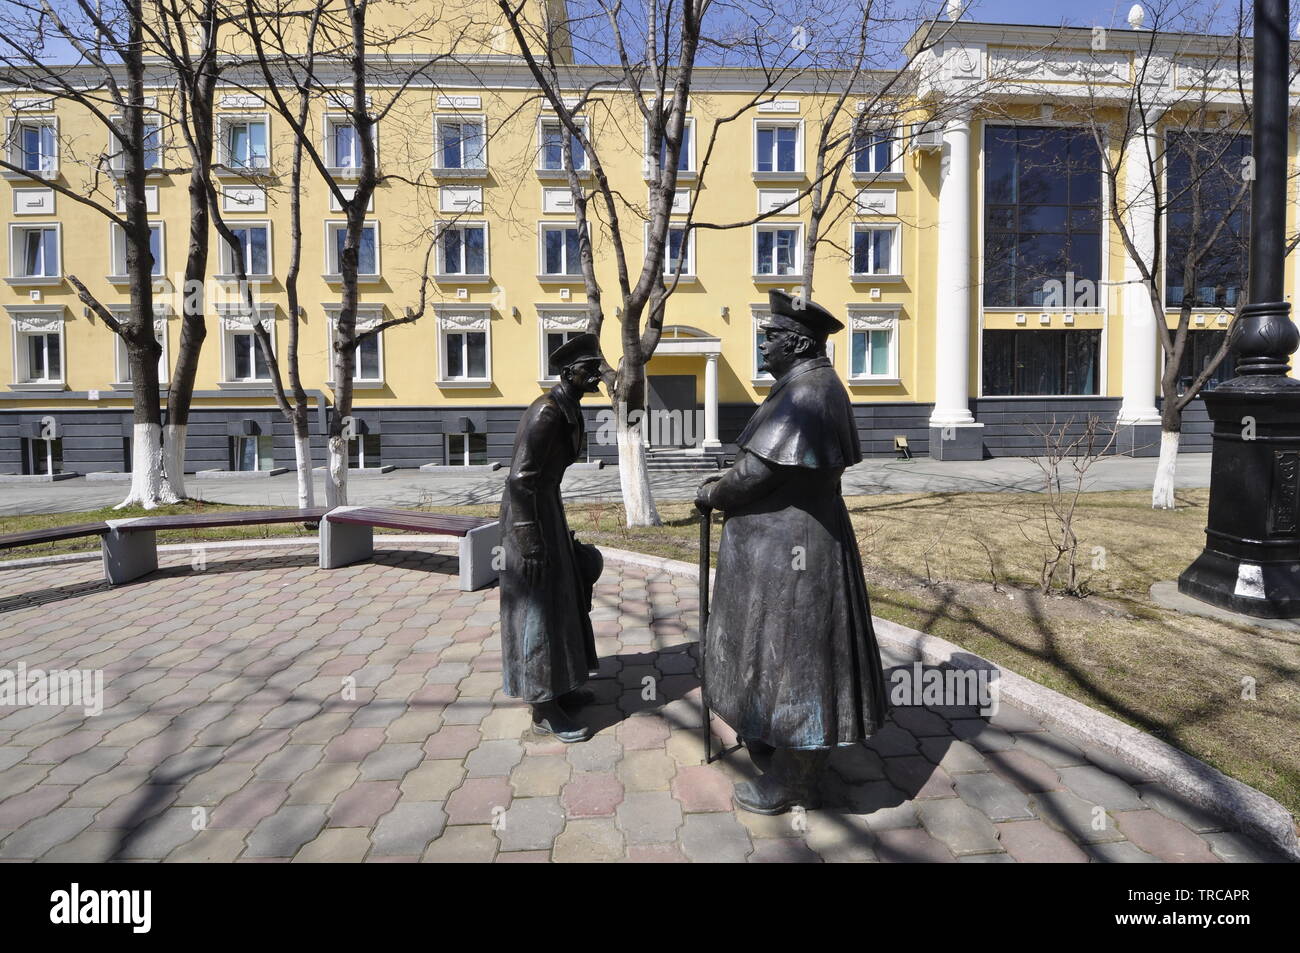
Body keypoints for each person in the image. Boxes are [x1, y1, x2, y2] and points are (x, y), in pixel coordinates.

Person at [695, 289, 889, 814]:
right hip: (776, 552)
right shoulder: (801, 385)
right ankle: (768, 729)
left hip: (796, 556)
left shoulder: (809, 392)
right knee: (769, 654)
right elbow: (761, 466)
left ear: (797, 342)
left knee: (802, 662)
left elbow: (760, 473)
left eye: (769, 339)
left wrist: (714, 493)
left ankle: (796, 779)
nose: (762, 349)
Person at [499, 332, 605, 742]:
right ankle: (543, 706)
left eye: (596, 367)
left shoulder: (569, 406)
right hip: (529, 516)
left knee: (564, 597)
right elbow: (519, 480)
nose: (596, 374)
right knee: (538, 608)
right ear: (568, 372)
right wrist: (531, 540)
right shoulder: (546, 412)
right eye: (589, 368)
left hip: (547, 507)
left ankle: (563, 684)